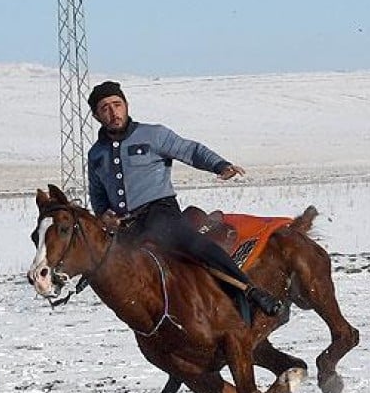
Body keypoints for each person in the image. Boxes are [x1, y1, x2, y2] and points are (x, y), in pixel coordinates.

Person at [84, 80, 282, 318]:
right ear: (96, 116)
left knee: (194, 245)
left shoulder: (154, 134)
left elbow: (191, 151)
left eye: (118, 104)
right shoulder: (96, 153)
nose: (113, 112)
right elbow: (97, 194)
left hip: (160, 215)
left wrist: (220, 165)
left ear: (126, 105)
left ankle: (250, 290)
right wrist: (104, 214)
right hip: (127, 229)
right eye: (105, 108)